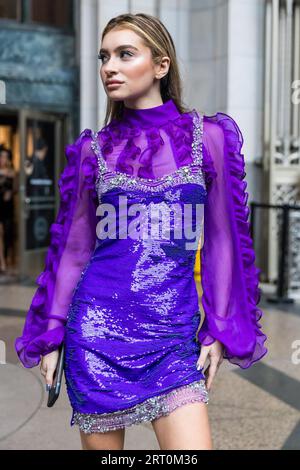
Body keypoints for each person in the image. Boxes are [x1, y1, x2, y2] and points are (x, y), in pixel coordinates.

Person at [15, 13, 268, 450]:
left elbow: (225, 240)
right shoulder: (92, 150)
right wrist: (53, 332)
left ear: (161, 65)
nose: (109, 66)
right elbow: (74, 251)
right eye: (104, 56)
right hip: (96, 331)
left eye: (124, 54)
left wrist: (220, 328)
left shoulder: (208, 138)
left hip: (171, 336)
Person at [0, 145, 16, 273]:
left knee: (8, 234)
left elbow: (16, 185)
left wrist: (11, 193)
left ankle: (9, 258)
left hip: (8, 208)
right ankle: (2, 262)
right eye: (1, 156)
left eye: (5, 157)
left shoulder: (11, 171)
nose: (3, 159)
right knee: (0, 234)